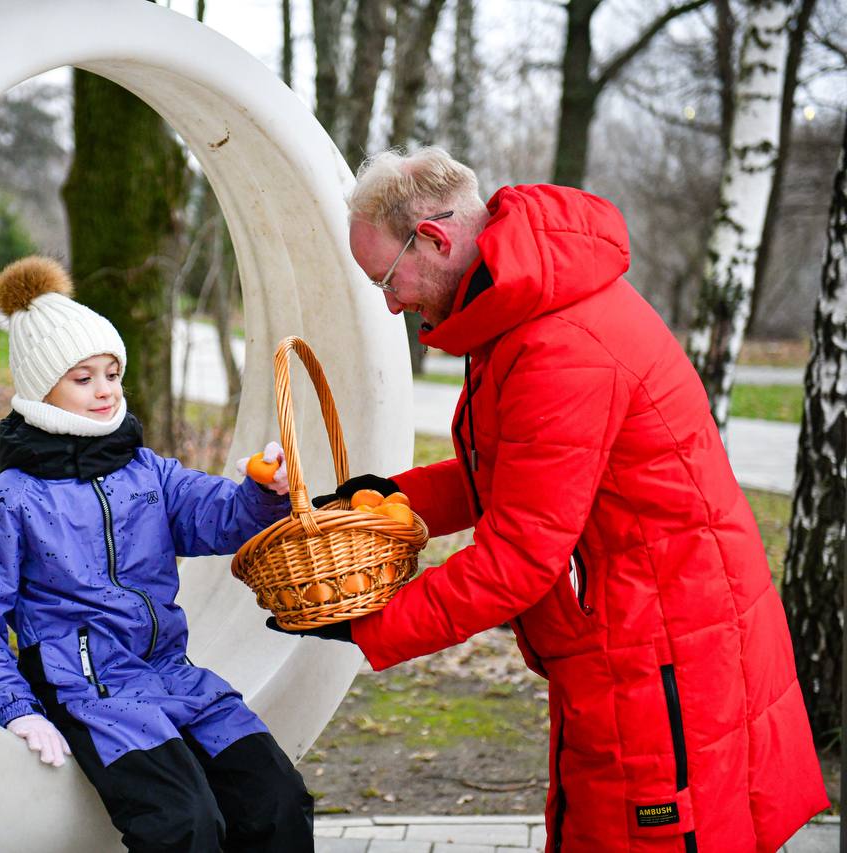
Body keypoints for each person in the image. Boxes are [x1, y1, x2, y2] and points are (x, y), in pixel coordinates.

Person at [274, 147, 828, 852]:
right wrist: (381, 498)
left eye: (388, 277)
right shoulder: (517, 309)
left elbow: (517, 558)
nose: (391, 301)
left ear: (437, 239)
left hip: (667, 661)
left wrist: (371, 626)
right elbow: (510, 477)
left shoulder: (558, 345)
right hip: (629, 640)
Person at [0, 256, 314, 853]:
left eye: (112, 373)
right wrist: (15, 708)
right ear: (43, 389)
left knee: (277, 801)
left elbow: (216, 515)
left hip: (170, 672)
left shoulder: (147, 473)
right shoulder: (6, 503)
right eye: (83, 378)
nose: (106, 390)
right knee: (185, 825)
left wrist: (260, 492)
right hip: (88, 693)